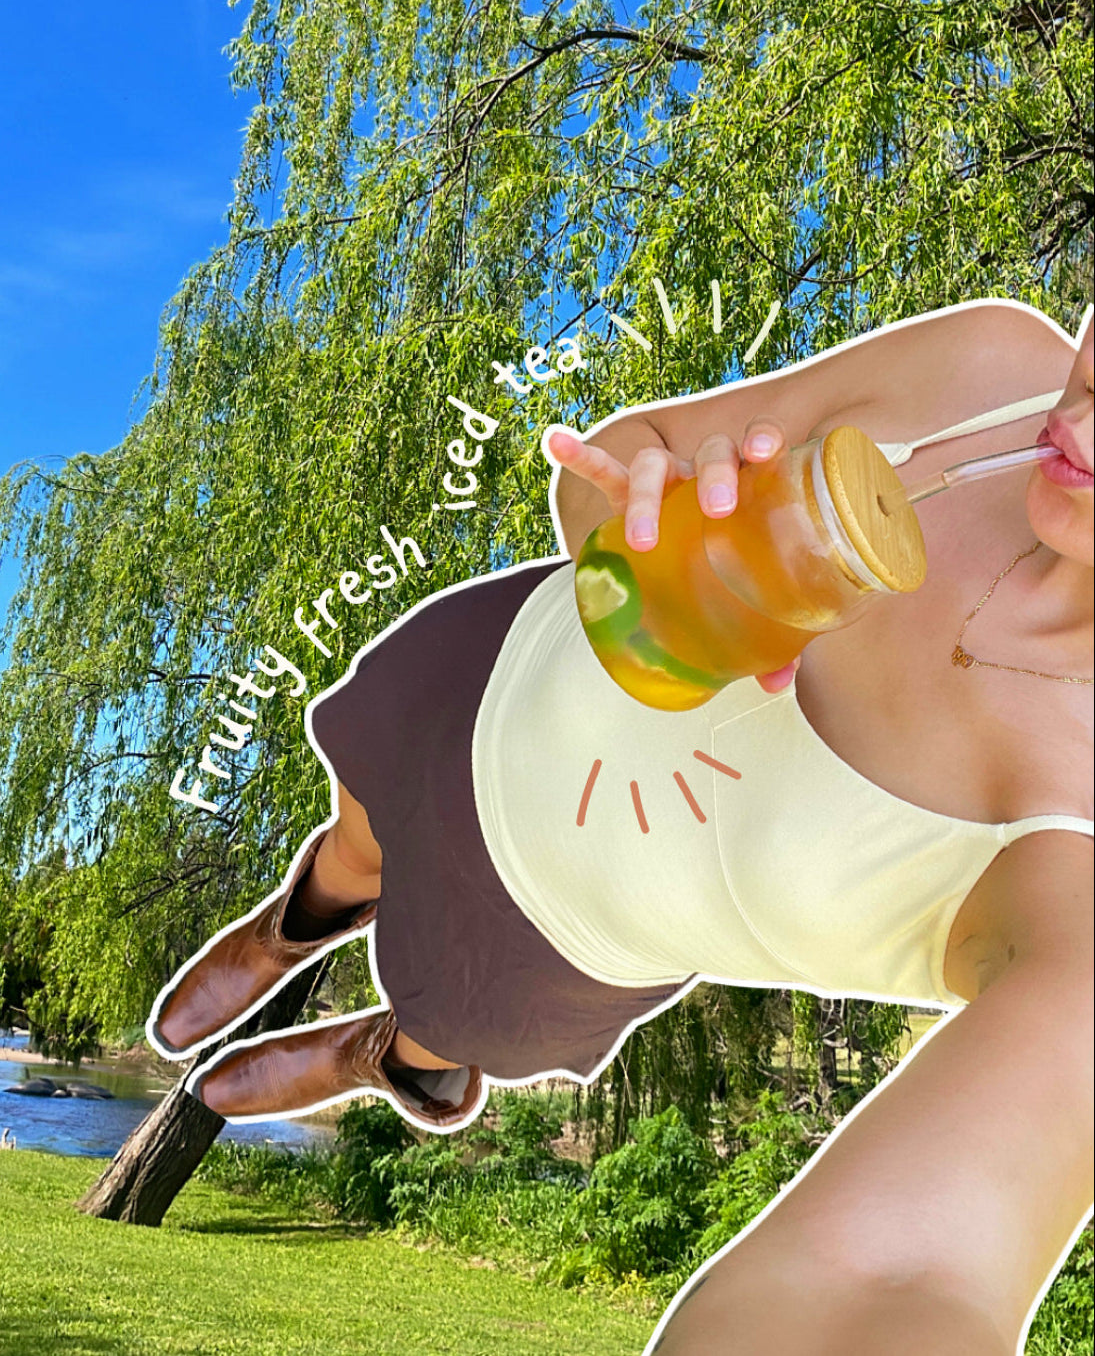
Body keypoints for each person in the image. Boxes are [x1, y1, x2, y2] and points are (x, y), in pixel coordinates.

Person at [147, 298, 1093, 1355]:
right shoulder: (994, 368)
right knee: (362, 828)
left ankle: (387, 1051)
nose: (1084, 426)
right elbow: (620, 459)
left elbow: (897, 1275)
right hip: (492, 680)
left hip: (555, 945)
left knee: (446, 1020)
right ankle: (304, 916)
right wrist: (642, 521)